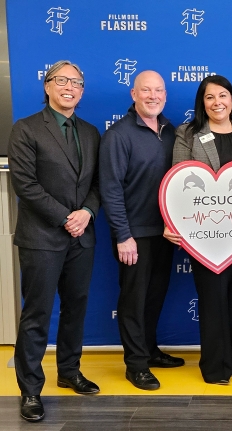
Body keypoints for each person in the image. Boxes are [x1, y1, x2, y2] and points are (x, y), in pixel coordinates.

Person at [8, 60, 101, 422]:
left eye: (76, 82)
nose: (69, 87)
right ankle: (30, 390)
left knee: (75, 309)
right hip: (42, 238)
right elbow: (25, 185)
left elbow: (98, 185)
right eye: (61, 80)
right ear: (47, 86)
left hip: (82, 238)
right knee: (37, 315)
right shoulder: (26, 128)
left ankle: (69, 371)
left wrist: (87, 213)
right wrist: (66, 216)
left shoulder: (91, 132)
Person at [165, 75, 232, 384]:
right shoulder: (188, 133)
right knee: (212, 298)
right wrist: (172, 224)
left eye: (223, 96)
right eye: (210, 97)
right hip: (202, 234)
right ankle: (214, 367)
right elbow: (177, 181)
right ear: (202, 103)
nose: (217, 103)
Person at [100, 70, 184, 391]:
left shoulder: (171, 130)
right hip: (133, 235)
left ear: (165, 94)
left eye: (159, 90)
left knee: (154, 296)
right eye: (146, 90)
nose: (153, 96)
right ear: (133, 94)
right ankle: (135, 364)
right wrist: (123, 235)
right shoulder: (118, 135)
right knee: (133, 300)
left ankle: (149, 351)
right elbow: (110, 190)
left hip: (164, 233)